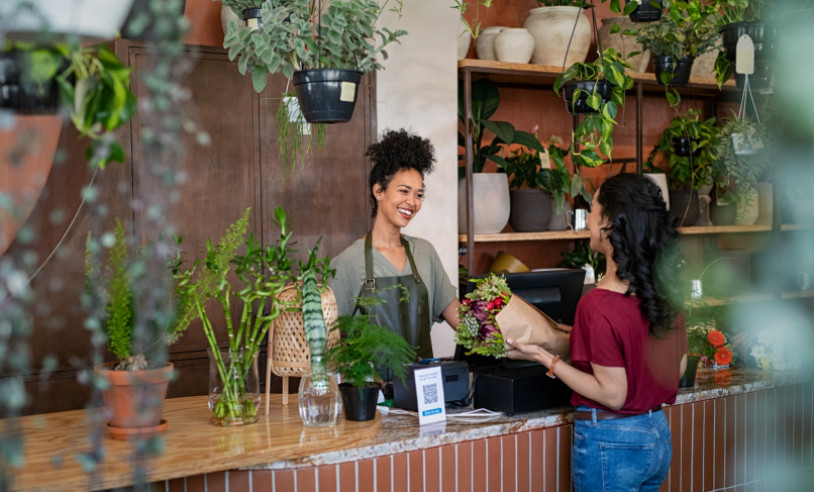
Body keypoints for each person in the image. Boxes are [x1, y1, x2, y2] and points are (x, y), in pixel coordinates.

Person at [506, 172, 688, 492]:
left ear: (609, 223)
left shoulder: (598, 305)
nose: (587, 218)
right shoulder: (665, 293)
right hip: (656, 434)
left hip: (612, 443)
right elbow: (679, 367)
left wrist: (544, 357)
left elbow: (612, 394)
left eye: (592, 209)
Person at [329, 128, 460, 363]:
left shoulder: (424, 253)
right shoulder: (348, 262)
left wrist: (506, 341)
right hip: (369, 394)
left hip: (422, 389)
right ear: (379, 191)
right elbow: (328, 342)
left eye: (419, 195)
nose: (412, 202)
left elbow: (459, 318)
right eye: (404, 191)